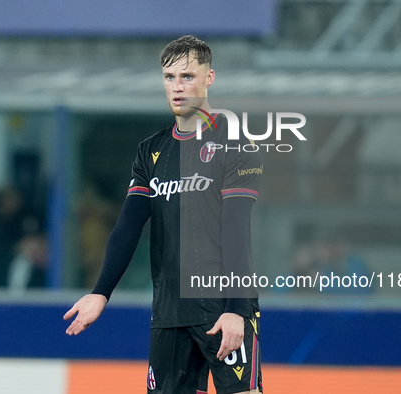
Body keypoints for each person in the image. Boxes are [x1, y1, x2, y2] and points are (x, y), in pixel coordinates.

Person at [64, 35, 263, 393]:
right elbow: (128, 225)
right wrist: (100, 292)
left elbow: (236, 231)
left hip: (222, 306)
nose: (177, 86)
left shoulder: (236, 145)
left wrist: (237, 309)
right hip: (170, 312)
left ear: (209, 78)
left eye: (187, 76)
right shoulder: (150, 151)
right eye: (169, 77)